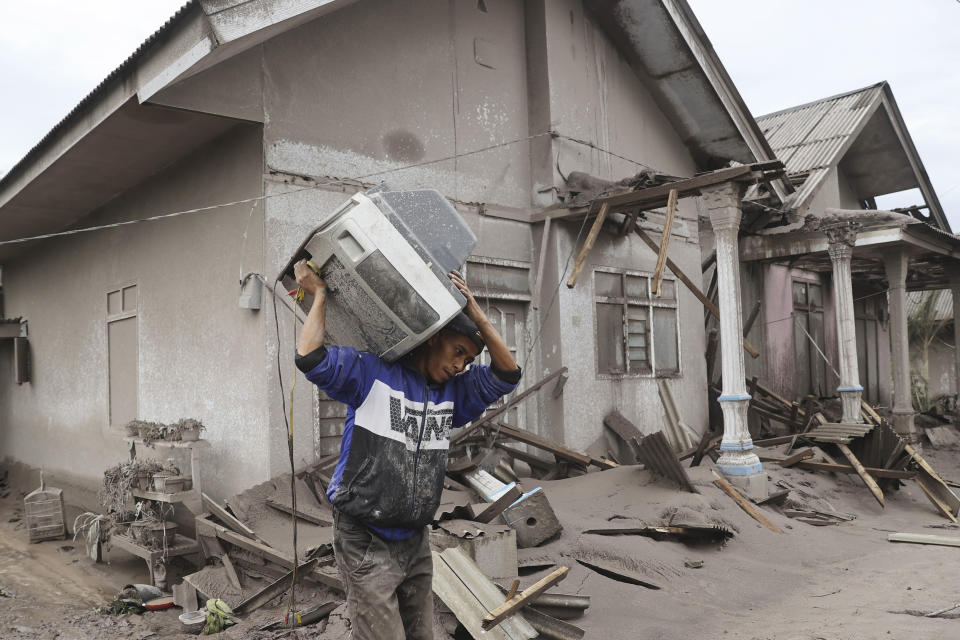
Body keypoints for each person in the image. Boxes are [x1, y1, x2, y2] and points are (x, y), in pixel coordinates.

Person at [292, 259, 521, 640]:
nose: (461, 365)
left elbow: (507, 374)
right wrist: (319, 296)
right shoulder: (372, 373)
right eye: (458, 351)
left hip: (415, 540)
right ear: (433, 337)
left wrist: (479, 319)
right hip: (365, 537)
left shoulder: (455, 394)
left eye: (467, 360)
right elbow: (310, 357)